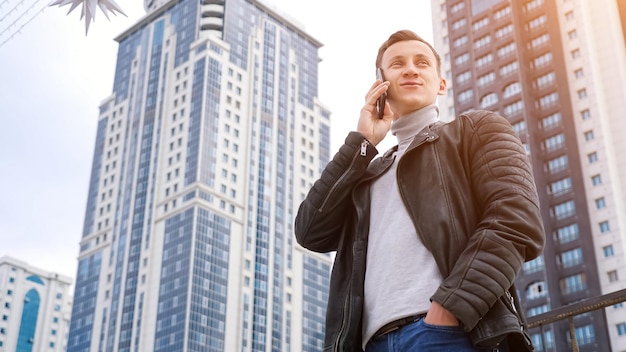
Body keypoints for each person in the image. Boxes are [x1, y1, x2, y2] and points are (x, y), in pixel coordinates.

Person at [294, 29, 545, 352]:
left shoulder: (476, 130)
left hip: (446, 333)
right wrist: (362, 143)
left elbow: (516, 220)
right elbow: (310, 231)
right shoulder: (367, 172)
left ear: (441, 84)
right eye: (397, 64)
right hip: (372, 343)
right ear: (380, 86)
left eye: (422, 62)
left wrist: (450, 309)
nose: (411, 69)